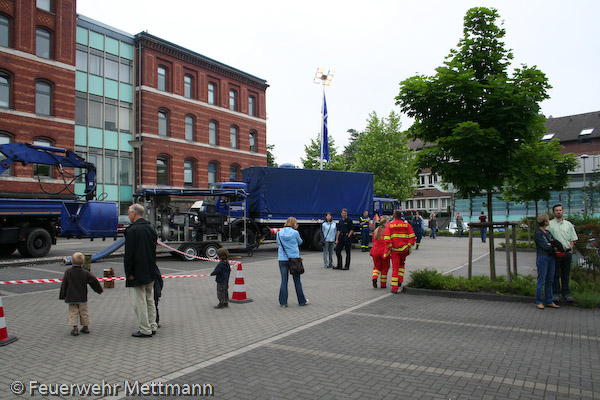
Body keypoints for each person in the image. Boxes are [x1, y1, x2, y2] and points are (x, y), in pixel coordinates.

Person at [125, 203, 159, 338]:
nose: (128, 216)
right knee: (150, 299)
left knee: (139, 302)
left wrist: (129, 273)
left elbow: (129, 255)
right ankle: (152, 325)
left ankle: (145, 329)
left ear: (134, 213)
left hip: (137, 271)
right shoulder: (151, 228)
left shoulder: (132, 230)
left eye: (129, 213)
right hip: (150, 270)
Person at [59, 252, 103, 336]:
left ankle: (75, 328)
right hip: (82, 296)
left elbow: (64, 284)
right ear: (83, 262)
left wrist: (62, 295)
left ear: (72, 262)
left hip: (71, 297)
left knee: (73, 312)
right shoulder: (85, 272)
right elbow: (94, 281)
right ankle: (85, 327)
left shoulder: (68, 272)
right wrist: (99, 290)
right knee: (84, 312)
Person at [547, 204, 578, 303]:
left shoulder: (568, 224)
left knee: (565, 275)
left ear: (563, 211)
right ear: (553, 212)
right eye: (556, 210)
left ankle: (566, 294)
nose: (559, 212)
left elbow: (573, 238)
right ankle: (556, 293)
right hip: (555, 254)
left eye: (560, 210)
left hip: (566, 253)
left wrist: (571, 248)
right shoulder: (549, 225)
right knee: (555, 274)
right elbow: (547, 238)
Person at [277, 217, 308, 307]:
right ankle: (301, 301)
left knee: (284, 280)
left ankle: (283, 302)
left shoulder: (279, 233)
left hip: (282, 258)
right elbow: (300, 242)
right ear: (294, 224)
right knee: (297, 280)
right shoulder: (295, 233)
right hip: (294, 259)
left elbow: (278, 244)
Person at [383, 210, 416, 293]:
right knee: (402, 265)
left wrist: (391, 247)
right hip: (404, 250)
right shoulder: (407, 225)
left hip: (395, 250)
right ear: (401, 216)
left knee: (395, 268)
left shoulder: (390, 225)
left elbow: (387, 239)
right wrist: (407, 247)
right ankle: (400, 281)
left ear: (394, 216)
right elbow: (412, 238)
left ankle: (395, 288)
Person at [534, 214, 560, 309]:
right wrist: (551, 245)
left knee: (550, 280)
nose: (549, 221)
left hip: (551, 257)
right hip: (543, 257)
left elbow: (554, 242)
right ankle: (539, 301)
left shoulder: (547, 232)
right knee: (541, 280)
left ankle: (549, 300)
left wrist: (551, 244)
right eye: (548, 220)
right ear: (545, 222)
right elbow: (545, 246)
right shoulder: (538, 233)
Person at [370, 217, 390, 288]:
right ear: (384, 223)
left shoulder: (376, 231)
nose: (389, 224)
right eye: (387, 222)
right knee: (385, 268)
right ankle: (383, 284)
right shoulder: (387, 231)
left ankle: (374, 277)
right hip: (384, 252)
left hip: (375, 251)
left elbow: (373, 241)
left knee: (376, 267)